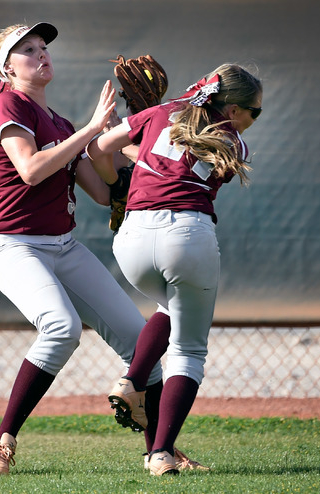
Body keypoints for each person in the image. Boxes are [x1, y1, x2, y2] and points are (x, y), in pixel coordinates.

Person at [0, 21, 196, 476]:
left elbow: (101, 190)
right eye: (27, 50)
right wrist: (92, 130)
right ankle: (0, 442)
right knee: (61, 327)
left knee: (140, 344)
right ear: (7, 68)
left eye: (43, 47)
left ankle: (161, 452)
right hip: (14, 246)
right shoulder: (7, 105)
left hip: (64, 245)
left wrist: (140, 137)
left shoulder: (59, 123)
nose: (41, 54)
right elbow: (32, 169)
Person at [86, 64, 263, 475]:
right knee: (189, 349)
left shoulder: (161, 112)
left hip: (132, 238)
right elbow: (188, 166)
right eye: (255, 112)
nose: (254, 120)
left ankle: (132, 381)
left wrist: (118, 184)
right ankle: (161, 453)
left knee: (170, 307)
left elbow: (97, 149)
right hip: (186, 235)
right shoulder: (234, 142)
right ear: (233, 111)